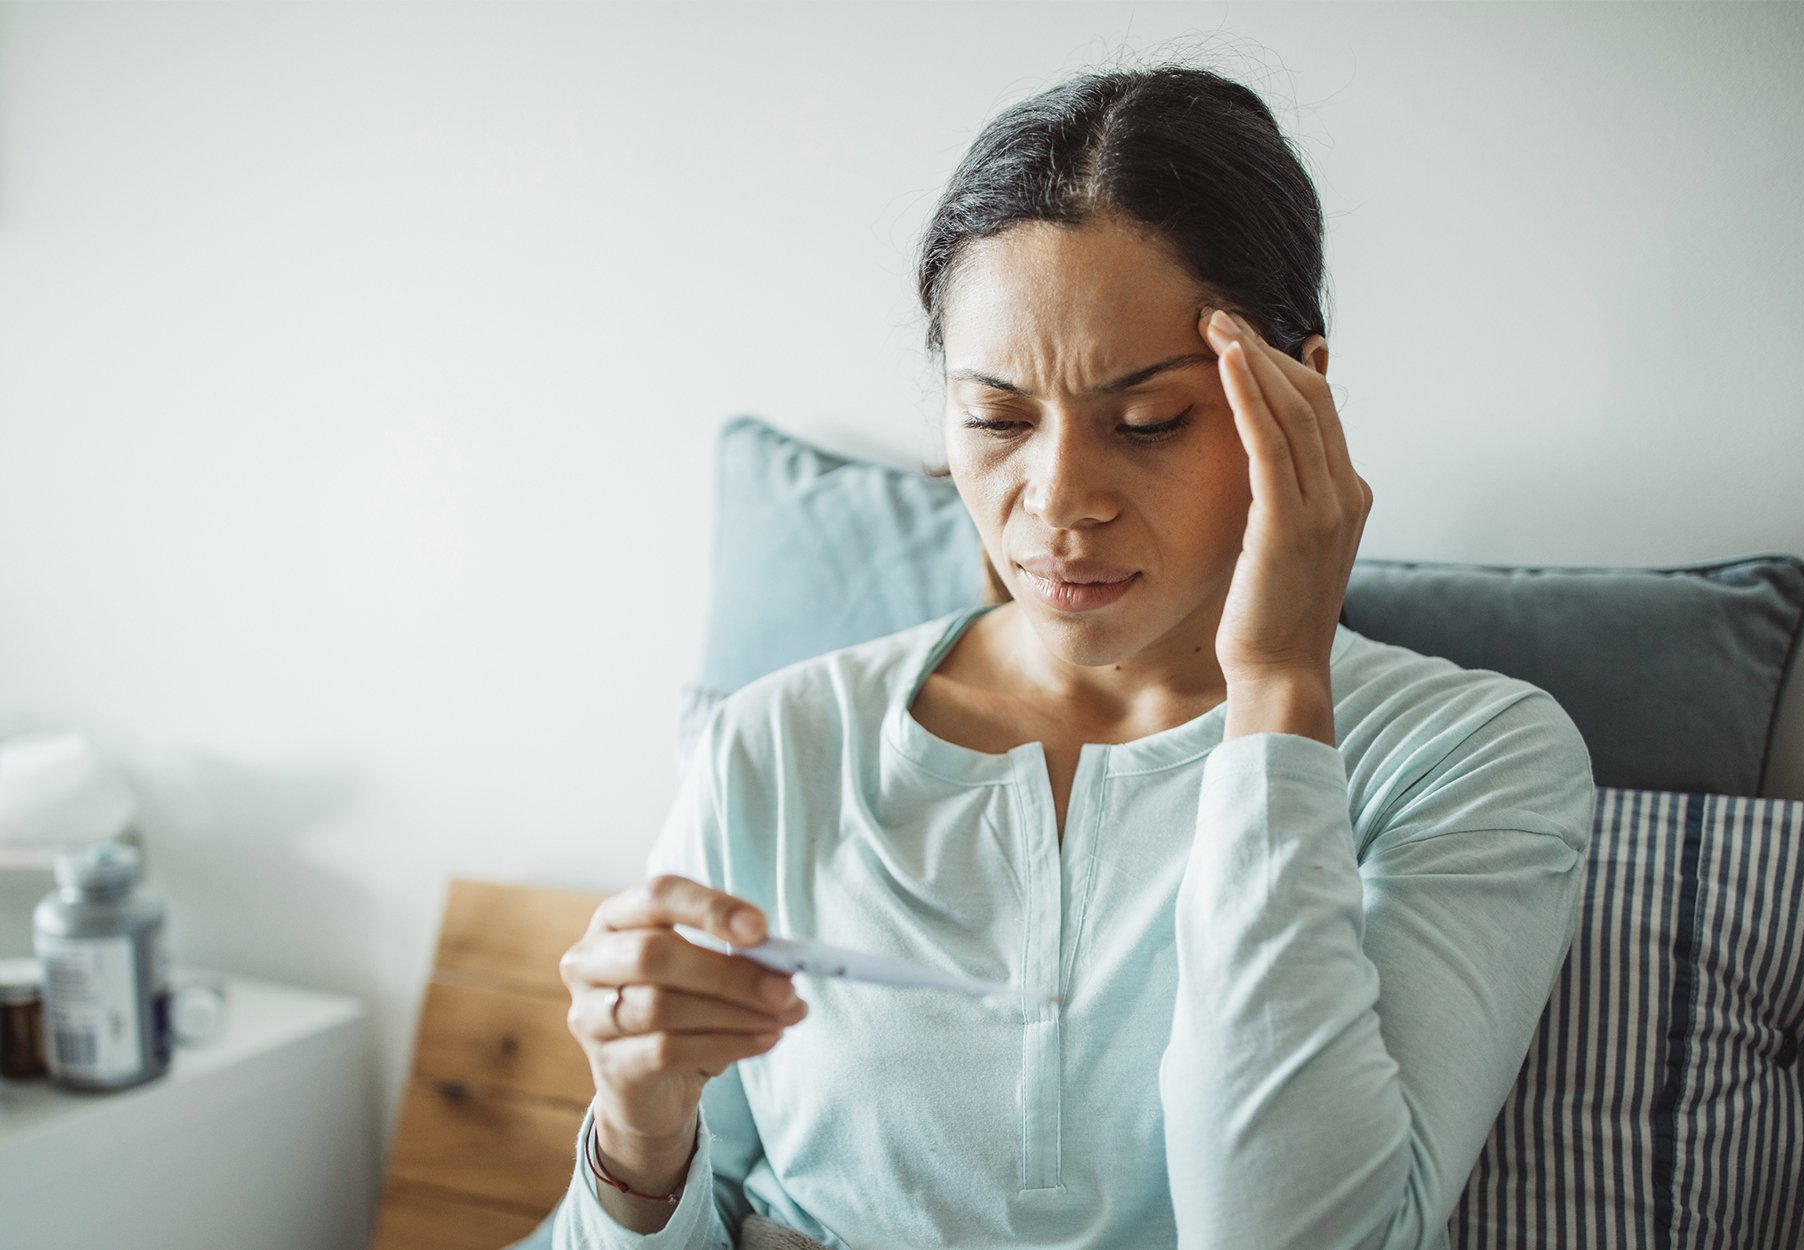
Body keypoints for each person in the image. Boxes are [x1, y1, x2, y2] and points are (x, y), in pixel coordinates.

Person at [550, 63, 1595, 1250]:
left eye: (1146, 422)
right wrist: (636, 1136)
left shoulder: (1472, 755)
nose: (1055, 504)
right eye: (994, 419)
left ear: (1296, 393)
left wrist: (1276, 699)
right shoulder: (780, 742)